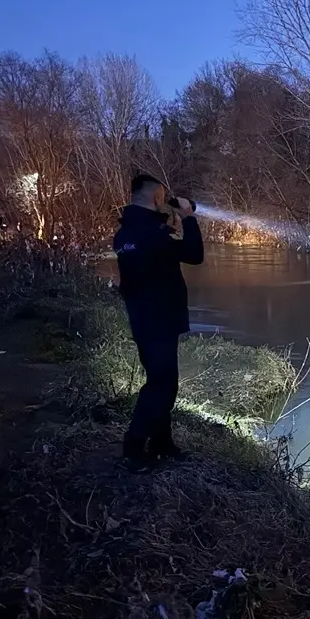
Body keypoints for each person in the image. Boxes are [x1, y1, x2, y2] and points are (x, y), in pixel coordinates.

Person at [113, 174, 203, 470]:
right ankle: (134, 447)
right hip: (160, 317)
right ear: (155, 198)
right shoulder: (152, 234)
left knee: (161, 381)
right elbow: (194, 254)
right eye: (162, 196)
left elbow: (151, 260)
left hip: (142, 317)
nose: (163, 200)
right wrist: (188, 218)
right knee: (162, 385)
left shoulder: (126, 233)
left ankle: (162, 443)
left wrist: (166, 225)